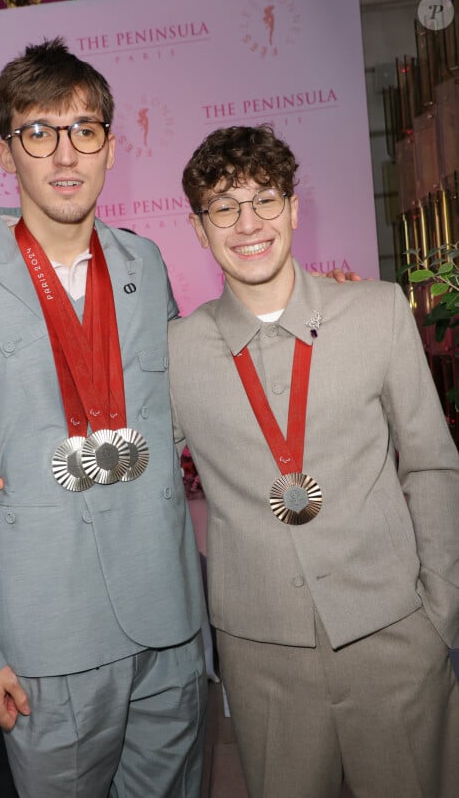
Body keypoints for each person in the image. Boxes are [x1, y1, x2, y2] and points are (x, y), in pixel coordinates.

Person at [0, 38, 207, 798]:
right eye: (39, 132)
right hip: (45, 638)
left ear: (109, 146)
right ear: (7, 153)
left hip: (171, 619)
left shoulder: (146, 263)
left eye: (84, 130)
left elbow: (176, 414)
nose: (65, 155)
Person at [166, 124, 458, 798]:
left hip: (394, 635)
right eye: (224, 206)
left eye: (265, 199)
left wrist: (439, 610)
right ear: (199, 228)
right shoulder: (176, 351)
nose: (248, 223)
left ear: (295, 210)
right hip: (263, 655)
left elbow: (431, 465)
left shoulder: (377, 310)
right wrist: (3, 480)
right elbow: (134, 465)